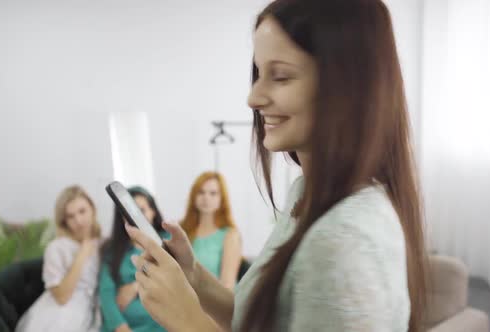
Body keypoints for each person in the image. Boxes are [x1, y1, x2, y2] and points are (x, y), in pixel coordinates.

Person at [125, 0, 428, 331]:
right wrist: (194, 277)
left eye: (280, 76)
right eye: (259, 73)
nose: (253, 98)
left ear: (346, 86)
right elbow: (264, 320)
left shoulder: (344, 241)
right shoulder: (305, 194)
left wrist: (187, 318)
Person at [16, 185, 102, 332]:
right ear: (64, 221)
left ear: (92, 210)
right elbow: (62, 297)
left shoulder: (102, 244)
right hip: (61, 314)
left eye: (82, 211)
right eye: (71, 216)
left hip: (91, 313)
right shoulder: (57, 248)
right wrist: (82, 255)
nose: (79, 220)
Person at [99, 186, 169, 332]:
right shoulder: (112, 251)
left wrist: (135, 287)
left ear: (153, 212)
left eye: (141, 210)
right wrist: (122, 328)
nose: (134, 217)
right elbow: (106, 295)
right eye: (128, 212)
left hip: (161, 325)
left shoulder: (167, 242)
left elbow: (175, 280)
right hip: (123, 327)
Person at [179, 172, 242, 289]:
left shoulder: (230, 235)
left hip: (217, 303)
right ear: (194, 196)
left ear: (222, 199)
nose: (206, 198)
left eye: (213, 193)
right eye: (201, 192)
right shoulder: (182, 231)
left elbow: (227, 286)